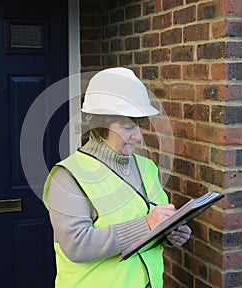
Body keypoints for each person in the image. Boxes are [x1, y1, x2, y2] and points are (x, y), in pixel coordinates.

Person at [43, 67, 191, 288]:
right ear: (99, 125)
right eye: (127, 127)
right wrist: (147, 224)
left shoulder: (147, 167)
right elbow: (76, 244)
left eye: (139, 126)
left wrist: (170, 233)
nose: (138, 136)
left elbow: (153, 227)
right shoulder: (67, 177)